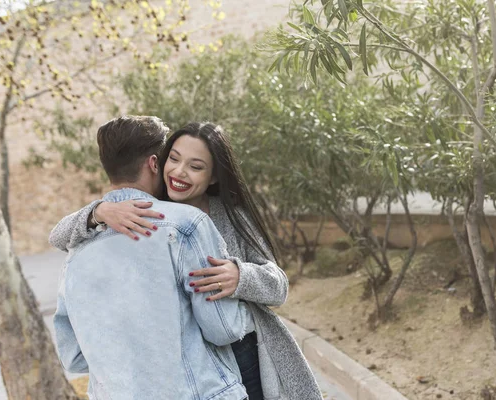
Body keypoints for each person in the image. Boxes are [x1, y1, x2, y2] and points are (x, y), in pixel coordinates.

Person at [50, 122, 323, 400]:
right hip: (193, 370)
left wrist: (241, 276)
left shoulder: (231, 217)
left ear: (213, 177)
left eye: (196, 166)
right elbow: (58, 236)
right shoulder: (141, 213)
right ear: (157, 163)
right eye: (174, 159)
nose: (179, 172)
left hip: (244, 353)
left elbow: (279, 285)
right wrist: (99, 210)